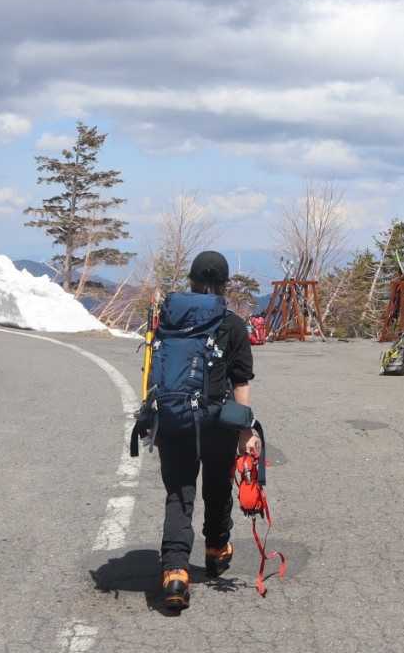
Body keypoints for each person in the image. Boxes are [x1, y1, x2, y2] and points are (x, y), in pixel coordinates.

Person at [155, 251, 260, 612]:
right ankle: (216, 549)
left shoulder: (169, 319)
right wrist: (246, 431)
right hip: (217, 421)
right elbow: (240, 381)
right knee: (217, 488)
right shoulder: (233, 325)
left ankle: (174, 572)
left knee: (179, 494)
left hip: (175, 419)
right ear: (225, 284)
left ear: (191, 280)